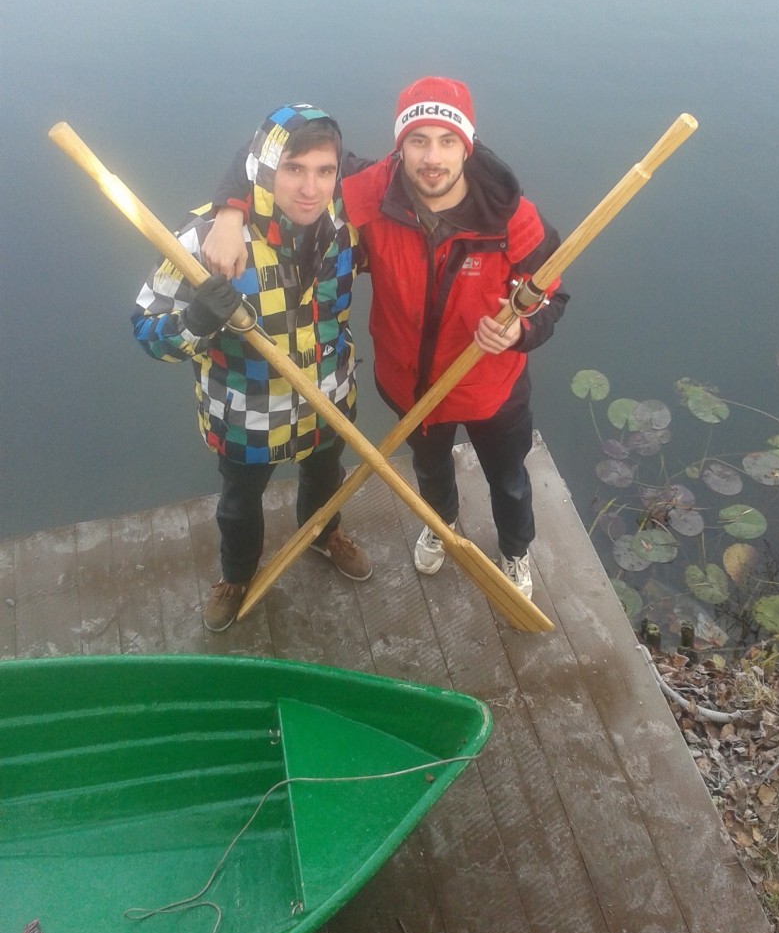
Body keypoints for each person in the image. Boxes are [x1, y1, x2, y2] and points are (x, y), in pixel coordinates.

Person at [206, 78, 567, 600]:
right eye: (418, 140)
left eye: (447, 141)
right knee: (430, 466)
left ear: (468, 144)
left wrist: (522, 329)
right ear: (400, 146)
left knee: (508, 479)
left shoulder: (513, 216)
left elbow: (553, 296)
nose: (432, 158)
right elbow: (272, 148)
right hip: (412, 384)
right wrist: (229, 210)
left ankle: (515, 552)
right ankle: (441, 526)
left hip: (491, 387)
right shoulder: (373, 189)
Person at [132, 104, 372, 632]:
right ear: (263, 169)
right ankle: (237, 574)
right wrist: (196, 319)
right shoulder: (203, 240)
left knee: (326, 478)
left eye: (324, 171)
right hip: (244, 416)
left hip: (327, 398)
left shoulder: (348, 225)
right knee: (239, 503)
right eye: (293, 169)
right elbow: (148, 333)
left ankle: (323, 534)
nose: (310, 188)